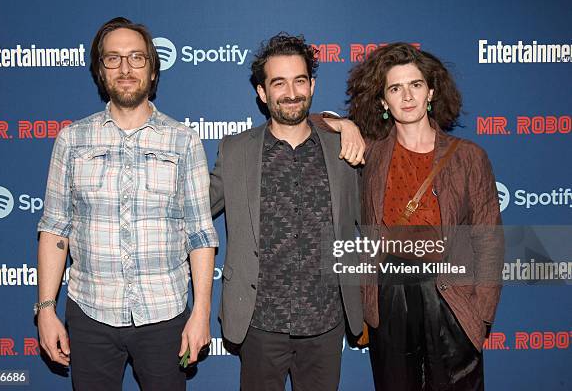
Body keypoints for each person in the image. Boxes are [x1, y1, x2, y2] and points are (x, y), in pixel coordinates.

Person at [35, 17, 218, 391]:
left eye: (136, 58)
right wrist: (46, 310)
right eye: (113, 59)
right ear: (100, 71)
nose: (125, 69)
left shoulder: (184, 141)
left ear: (152, 70)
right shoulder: (72, 140)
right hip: (90, 314)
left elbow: (200, 233)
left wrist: (200, 312)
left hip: (164, 314)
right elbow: (55, 229)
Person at [342, 42, 504, 390]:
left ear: (431, 91)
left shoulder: (469, 158)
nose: (407, 96)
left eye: (415, 85)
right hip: (391, 292)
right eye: (395, 88)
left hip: (450, 293)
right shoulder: (372, 152)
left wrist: (483, 314)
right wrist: (344, 126)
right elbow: (308, 122)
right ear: (383, 101)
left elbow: (489, 239)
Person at [209, 33, 364, 391]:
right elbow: (196, 205)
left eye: (299, 80)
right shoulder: (236, 152)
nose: (291, 92)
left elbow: (370, 222)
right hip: (259, 322)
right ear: (262, 93)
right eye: (278, 82)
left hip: (326, 322)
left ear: (312, 85)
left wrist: (345, 123)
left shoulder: (344, 148)